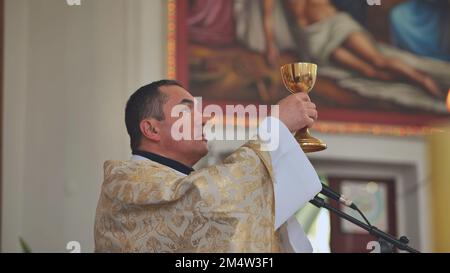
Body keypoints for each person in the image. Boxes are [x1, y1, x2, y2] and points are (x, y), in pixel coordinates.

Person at [94, 80, 322, 252]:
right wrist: (276, 127)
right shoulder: (126, 185)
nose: (204, 118)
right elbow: (212, 199)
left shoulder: (180, 184)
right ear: (152, 129)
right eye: (186, 110)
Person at [262, 0, 444, 98]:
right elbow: (268, 17)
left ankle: (424, 80)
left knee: (379, 60)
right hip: (313, 37)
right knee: (370, 73)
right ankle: (410, 83)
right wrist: (270, 45)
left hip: (336, 24)